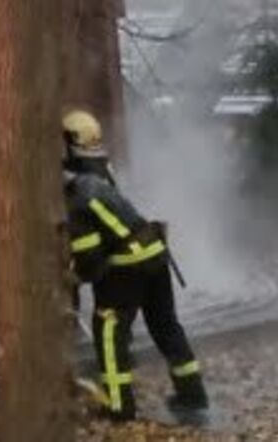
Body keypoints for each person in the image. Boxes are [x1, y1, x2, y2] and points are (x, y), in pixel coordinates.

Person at [62, 109, 210, 425]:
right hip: (156, 254)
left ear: (68, 144)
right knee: (166, 326)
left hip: (125, 267)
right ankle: (192, 395)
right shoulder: (104, 170)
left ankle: (120, 407)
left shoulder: (77, 192)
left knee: (109, 331)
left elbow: (87, 250)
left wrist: (76, 277)